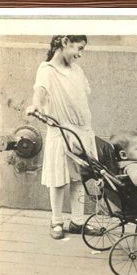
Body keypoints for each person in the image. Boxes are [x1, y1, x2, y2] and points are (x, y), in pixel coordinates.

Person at [26, 35, 97, 239]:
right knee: (58, 179)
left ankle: (77, 222)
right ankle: (56, 221)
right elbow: (40, 92)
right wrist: (36, 107)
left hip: (81, 131)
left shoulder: (76, 70)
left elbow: (81, 96)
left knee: (78, 178)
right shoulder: (47, 70)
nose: (80, 54)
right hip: (61, 132)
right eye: (79, 48)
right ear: (65, 42)